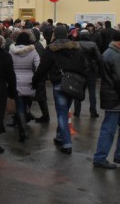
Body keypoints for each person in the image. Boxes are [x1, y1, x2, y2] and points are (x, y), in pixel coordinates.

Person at [32, 24, 88, 154]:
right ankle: (59, 135)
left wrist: (35, 82)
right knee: (65, 110)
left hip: (59, 83)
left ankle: (67, 143)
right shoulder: (76, 47)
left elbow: (42, 68)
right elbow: (84, 66)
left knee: (62, 114)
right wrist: (83, 82)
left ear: (55, 34)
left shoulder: (51, 49)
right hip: (73, 83)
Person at [92, 31, 120, 169]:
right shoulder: (116, 56)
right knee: (109, 129)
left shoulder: (110, 53)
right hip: (115, 98)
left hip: (114, 98)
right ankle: (100, 158)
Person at [9, 31, 40, 142]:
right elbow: (38, 66)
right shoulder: (33, 51)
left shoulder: (11, 50)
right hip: (29, 80)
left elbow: (8, 65)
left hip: (15, 79)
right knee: (26, 102)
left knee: (19, 106)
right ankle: (25, 121)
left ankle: (22, 130)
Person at [76, 29, 102, 118]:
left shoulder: (76, 44)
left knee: (78, 91)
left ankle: (77, 111)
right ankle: (93, 111)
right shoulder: (93, 44)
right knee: (92, 92)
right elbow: (99, 58)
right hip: (91, 70)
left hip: (79, 71)